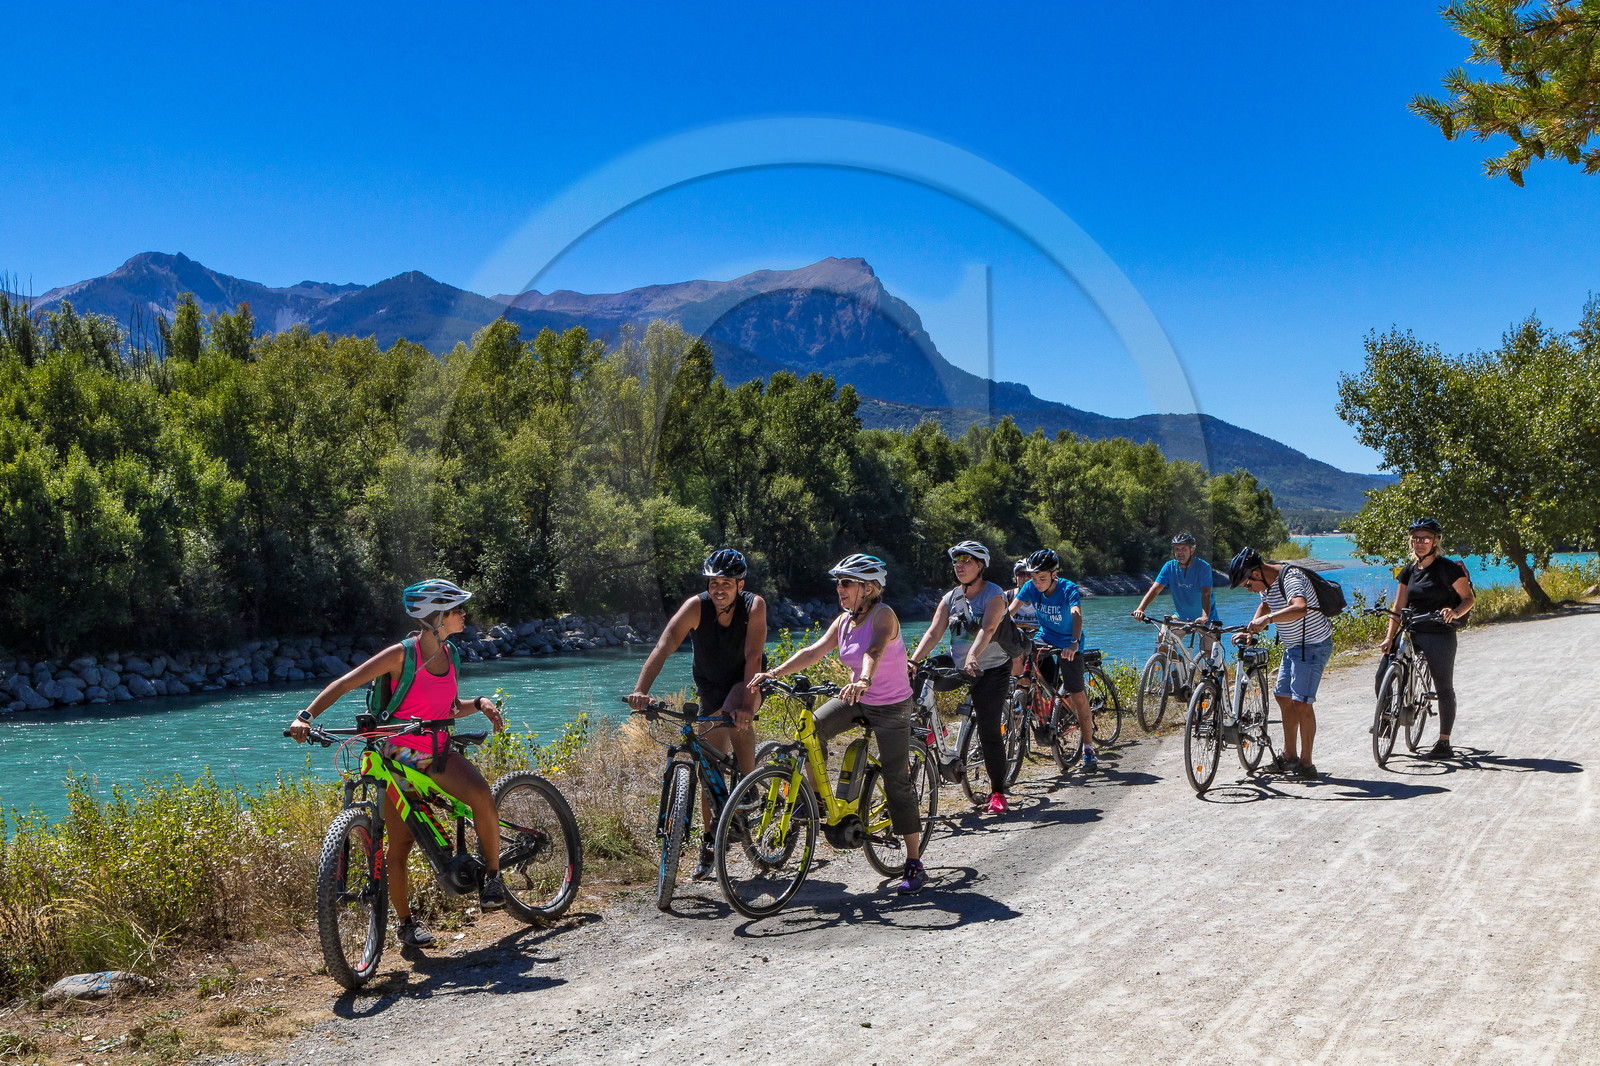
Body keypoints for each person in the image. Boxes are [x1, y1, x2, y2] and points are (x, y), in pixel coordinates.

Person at [288, 578, 507, 948]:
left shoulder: (451, 654)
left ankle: (494, 877)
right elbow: (345, 683)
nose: (463, 614)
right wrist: (305, 716)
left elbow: (450, 708)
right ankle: (405, 926)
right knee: (400, 846)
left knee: (482, 796)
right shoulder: (401, 656)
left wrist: (481, 702)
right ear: (436, 618)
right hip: (396, 758)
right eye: (456, 610)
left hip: (437, 753)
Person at [749, 554, 927, 894]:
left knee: (896, 781)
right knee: (811, 729)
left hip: (890, 705)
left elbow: (873, 651)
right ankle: (816, 798)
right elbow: (814, 651)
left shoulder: (884, 615)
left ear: (868, 587)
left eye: (846, 583)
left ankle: (914, 862)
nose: (839, 589)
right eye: (839, 583)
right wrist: (774, 672)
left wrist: (863, 679)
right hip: (857, 698)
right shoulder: (844, 620)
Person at [628, 549, 767, 879]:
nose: (720, 589)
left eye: (727, 583)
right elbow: (665, 644)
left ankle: (750, 787)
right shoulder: (696, 607)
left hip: (746, 681)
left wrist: (747, 705)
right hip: (709, 686)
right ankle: (709, 841)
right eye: (714, 582)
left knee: (734, 713)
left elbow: (753, 657)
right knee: (708, 765)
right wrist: (641, 690)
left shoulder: (754, 606)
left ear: (740, 584)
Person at [910, 540, 1014, 813]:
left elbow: (988, 629)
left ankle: (998, 792)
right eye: (957, 561)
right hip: (960, 666)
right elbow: (933, 633)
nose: (960, 565)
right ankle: (936, 732)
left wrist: (973, 655)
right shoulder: (951, 598)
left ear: (980, 565)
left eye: (966, 560)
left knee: (989, 729)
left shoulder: (994, 594)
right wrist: (913, 660)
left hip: (991, 669)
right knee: (918, 674)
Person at [1229, 547, 1332, 780]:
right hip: (1293, 645)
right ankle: (1289, 756)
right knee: (1282, 696)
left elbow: (1300, 607)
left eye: (1247, 584)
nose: (1249, 589)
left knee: (1301, 703)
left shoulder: (1291, 578)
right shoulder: (1266, 585)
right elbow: (1265, 605)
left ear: (1256, 574)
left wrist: (1268, 620)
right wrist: (1251, 629)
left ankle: (1306, 765)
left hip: (1312, 645)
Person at [1380, 518, 1474, 758]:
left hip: (1439, 633)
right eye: (1416, 539)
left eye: (1425, 539)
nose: (1419, 543)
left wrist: (1454, 612)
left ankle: (1444, 742)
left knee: (1444, 687)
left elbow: (1468, 599)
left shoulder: (1448, 568)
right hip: (1412, 630)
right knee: (1384, 671)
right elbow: (1399, 605)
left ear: (1435, 542)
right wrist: (1389, 636)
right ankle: (1387, 716)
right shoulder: (1409, 570)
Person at [1007, 548, 1099, 771]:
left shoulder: (1068, 588)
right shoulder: (1030, 587)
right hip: (1044, 638)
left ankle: (1088, 749)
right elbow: (1010, 612)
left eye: (1042, 578)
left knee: (1077, 693)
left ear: (1054, 575)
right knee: (1028, 672)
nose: (1036, 582)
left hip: (1069, 642)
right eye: (1033, 577)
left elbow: (1076, 614)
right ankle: (1038, 713)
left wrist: (1074, 643)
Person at [1132, 533, 1220, 657]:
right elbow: (1155, 589)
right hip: (1181, 616)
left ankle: (1223, 676)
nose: (1180, 552)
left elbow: (1206, 593)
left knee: (1213, 657)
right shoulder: (1169, 567)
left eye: (1184, 549)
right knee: (1163, 638)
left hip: (1207, 618)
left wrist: (1205, 616)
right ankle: (1171, 671)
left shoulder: (1203, 567)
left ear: (1192, 550)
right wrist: (1140, 609)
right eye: (1177, 549)